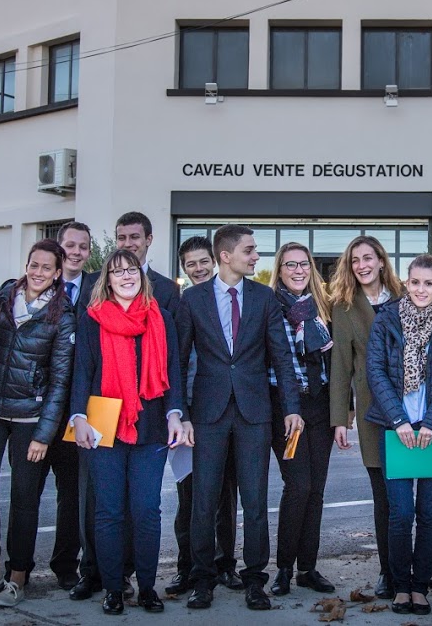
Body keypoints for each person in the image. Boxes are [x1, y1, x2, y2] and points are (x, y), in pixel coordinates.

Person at [177, 225, 304, 611]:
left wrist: (293, 407)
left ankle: (254, 580)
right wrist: (181, 414)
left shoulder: (265, 298)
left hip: (254, 413)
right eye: (250, 250)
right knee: (204, 500)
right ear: (226, 255)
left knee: (254, 499)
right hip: (207, 413)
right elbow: (179, 361)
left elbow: (281, 356)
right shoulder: (192, 299)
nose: (256, 257)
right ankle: (203, 579)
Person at [71, 249, 187, 614]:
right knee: (108, 512)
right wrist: (78, 417)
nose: (126, 276)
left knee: (146, 510)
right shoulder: (91, 320)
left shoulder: (161, 318)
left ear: (141, 275)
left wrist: (175, 414)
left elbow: (173, 371)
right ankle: (113, 590)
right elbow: (82, 371)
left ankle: (148, 587)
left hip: (151, 424)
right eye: (118, 271)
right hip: (103, 421)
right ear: (107, 279)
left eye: (131, 270)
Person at [0, 239, 76, 609]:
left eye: (47, 267)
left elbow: (60, 380)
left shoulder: (63, 315)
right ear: (26, 265)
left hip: (30, 418)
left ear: (58, 273)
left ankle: (18, 576)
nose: (38, 272)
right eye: (34, 264)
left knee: (24, 500)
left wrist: (45, 433)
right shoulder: (2, 296)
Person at [365, 255, 432, 616]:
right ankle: (400, 585)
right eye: (415, 282)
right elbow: (374, 371)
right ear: (406, 283)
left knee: (429, 513)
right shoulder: (386, 319)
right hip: (396, 430)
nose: (421, 289)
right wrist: (399, 420)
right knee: (400, 513)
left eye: (429, 283)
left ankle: (421, 586)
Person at [328, 234, 404, 600]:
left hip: (411, 408)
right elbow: (341, 366)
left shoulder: (406, 298)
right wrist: (340, 417)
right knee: (384, 497)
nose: (362, 265)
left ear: (381, 261)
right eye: (355, 259)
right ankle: (389, 572)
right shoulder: (343, 307)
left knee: (420, 495)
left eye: (368, 257)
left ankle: (427, 570)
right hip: (373, 413)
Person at [168, 235, 242, 596]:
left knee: (225, 495)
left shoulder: (228, 302)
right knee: (190, 496)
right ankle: (190, 568)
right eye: (190, 264)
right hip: (189, 417)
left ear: (215, 262)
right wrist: (180, 414)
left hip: (224, 413)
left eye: (202, 262)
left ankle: (226, 565)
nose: (197, 268)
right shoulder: (185, 305)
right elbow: (177, 366)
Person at [267, 242, 336, 596]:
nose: (298, 270)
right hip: (285, 407)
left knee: (317, 490)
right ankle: (283, 568)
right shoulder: (269, 306)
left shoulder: (321, 307)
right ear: (279, 269)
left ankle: (307, 568)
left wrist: (343, 411)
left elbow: (334, 363)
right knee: (298, 486)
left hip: (319, 404)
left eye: (304, 264)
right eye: (290, 265)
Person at [48, 222, 99, 595]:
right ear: (59, 248)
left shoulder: (99, 289)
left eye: (83, 246)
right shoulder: (35, 286)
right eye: (70, 245)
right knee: (27, 493)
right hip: (35, 407)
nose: (76, 252)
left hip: (78, 408)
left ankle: (69, 565)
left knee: (74, 493)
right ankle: (16, 567)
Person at [115, 211, 180, 312]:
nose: (127, 244)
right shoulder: (95, 283)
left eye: (134, 237)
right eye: (121, 238)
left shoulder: (168, 289)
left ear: (148, 240)